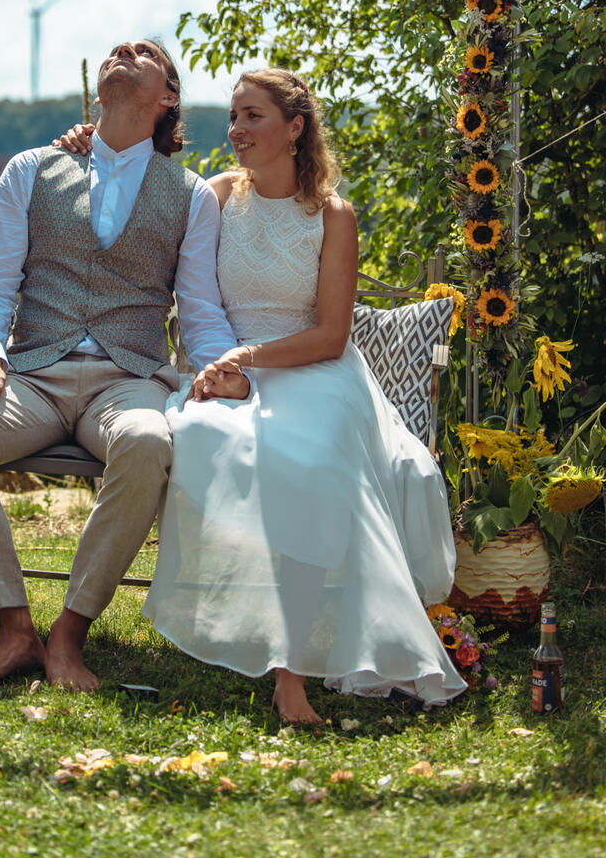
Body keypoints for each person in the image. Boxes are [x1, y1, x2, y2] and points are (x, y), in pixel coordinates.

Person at [60, 68, 466, 720]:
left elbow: (332, 335)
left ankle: (291, 671)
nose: (237, 130)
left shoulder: (333, 215)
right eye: (234, 115)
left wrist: (252, 355)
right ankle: (255, 632)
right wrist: (93, 144)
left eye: (253, 116)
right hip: (227, 371)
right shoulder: (216, 195)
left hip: (314, 372)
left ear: (295, 127)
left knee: (311, 457)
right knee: (208, 435)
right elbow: (141, 203)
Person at [0, 39, 248, 688]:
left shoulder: (190, 196)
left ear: (167, 97)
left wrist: (219, 369)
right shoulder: (29, 169)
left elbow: (201, 307)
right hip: (31, 374)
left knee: (149, 440)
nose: (124, 48)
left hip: (129, 380)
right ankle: (15, 629)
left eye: (144, 51)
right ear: (97, 90)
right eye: (116, 49)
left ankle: (69, 632)